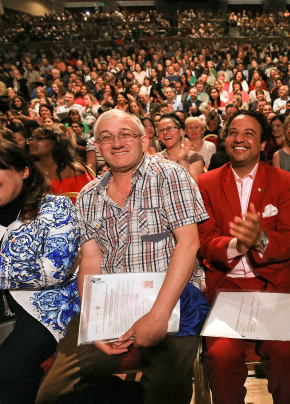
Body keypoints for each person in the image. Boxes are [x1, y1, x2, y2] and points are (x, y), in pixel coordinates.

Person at [36, 109, 210, 404]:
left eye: (125, 135)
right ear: (98, 146)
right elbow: (90, 260)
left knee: (165, 393)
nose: (116, 143)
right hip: (114, 300)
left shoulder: (170, 175)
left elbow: (188, 243)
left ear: (143, 141)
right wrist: (93, 323)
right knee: (53, 395)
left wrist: (158, 315)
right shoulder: (90, 194)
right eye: (106, 138)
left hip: (172, 295)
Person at [0, 140, 79, 403]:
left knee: (6, 374)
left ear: (23, 171)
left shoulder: (55, 208)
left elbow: (56, 269)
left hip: (49, 310)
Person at [197, 110, 290, 403]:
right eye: (233, 132)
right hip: (227, 286)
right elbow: (205, 241)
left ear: (262, 142)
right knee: (219, 356)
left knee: (285, 355)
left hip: (272, 285)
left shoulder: (282, 181)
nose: (239, 139)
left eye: (249, 134)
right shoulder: (206, 182)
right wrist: (236, 245)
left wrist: (261, 239)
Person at [28, 126, 94, 203]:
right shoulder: (28, 170)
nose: (31, 142)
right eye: (31, 139)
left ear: (55, 142)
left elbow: (89, 204)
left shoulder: (74, 170)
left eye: (38, 138)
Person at [156, 113, 205, 183]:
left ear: (181, 132)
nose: (165, 132)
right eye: (161, 130)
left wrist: (182, 160)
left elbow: (193, 186)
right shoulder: (157, 159)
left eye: (169, 128)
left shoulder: (195, 157)